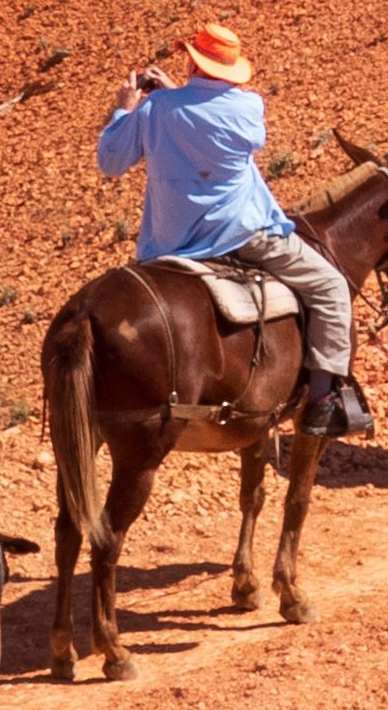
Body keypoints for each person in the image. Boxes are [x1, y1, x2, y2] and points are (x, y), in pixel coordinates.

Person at [100, 21, 364, 435]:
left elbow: (111, 161)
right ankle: (321, 401)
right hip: (243, 236)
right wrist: (179, 95)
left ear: (192, 61)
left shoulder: (154, 111)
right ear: (231, 69)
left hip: (171, 244)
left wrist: (125, 109)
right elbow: (205, 117)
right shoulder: (248, 109)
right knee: (330, 287)